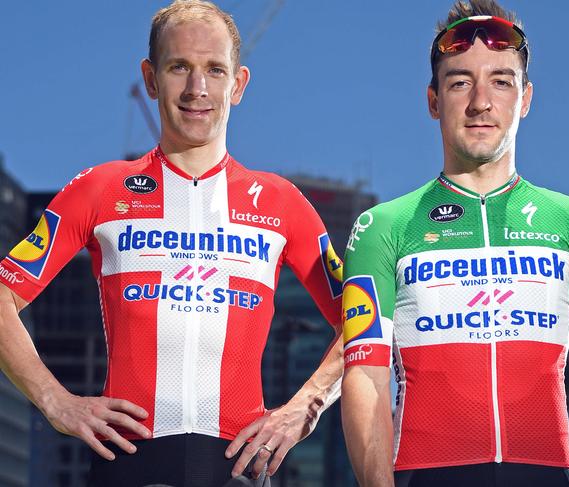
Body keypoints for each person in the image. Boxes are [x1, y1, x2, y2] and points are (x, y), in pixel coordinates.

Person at [0, 1, 344, 486]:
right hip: (129, 461)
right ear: (151, 77)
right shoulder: (100, 188)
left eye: (214, 70)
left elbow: (365, 320)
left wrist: (302, 409)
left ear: (238, 84)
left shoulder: (282, 202)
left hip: (237, 465)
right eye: (179, 66)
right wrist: (55, 400)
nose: (197, 89)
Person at [340, 1, 569, 487]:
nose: (480, 101)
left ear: (525, 98)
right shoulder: (382, 227)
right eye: (460, 81)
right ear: (433, 100)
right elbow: (366, 378)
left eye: (500, 81)